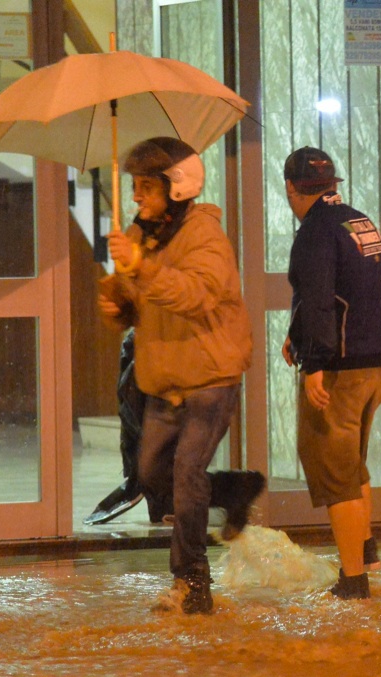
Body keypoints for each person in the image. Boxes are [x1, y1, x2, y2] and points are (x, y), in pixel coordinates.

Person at [98, 136, 255, 614]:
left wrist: (140, 268)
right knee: (149, 474)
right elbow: (135, 297)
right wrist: (117, 297)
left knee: (187, 477)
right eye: (136, 187)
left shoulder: (206, 235)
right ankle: (233, 488)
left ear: (178, 187)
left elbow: (197, 295)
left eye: (146, 187)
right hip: (165, 379)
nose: (138, 197)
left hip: (209, 375)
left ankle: (193, 583)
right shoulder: (144, 232)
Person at [280, 147, 381, 599]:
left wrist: (316, 365)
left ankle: (353, 580)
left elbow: (320, 298)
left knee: (335, 471)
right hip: (377, 365)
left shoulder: (314, 231)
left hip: (341, 370)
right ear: (333, 185)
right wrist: (298, 332)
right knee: (353, 463)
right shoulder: (358, 221)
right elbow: (348, 291)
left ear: (292, 188)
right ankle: (364, 549)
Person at [83, 327, 265, 535]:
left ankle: (234, 490)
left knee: (162, 470)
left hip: (184, 350)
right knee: (155, 470)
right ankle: (231, 492)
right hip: (163, 343)